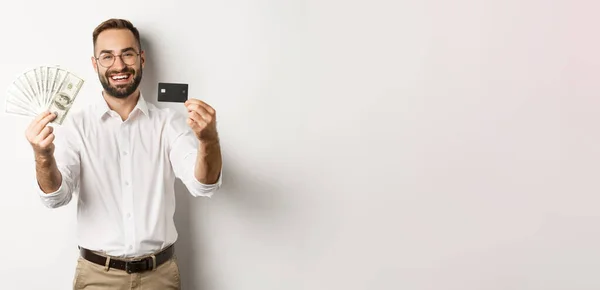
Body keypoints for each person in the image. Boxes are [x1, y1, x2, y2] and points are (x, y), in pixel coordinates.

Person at [24, 18, 223, 289]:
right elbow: (56, 198)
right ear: (95, 64)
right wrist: (43, 156)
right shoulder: (76, 126)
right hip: (96, 277)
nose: (119, 66)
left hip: (160, 277)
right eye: (107, 57)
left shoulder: (168, 123)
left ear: (141, 59)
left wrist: (209, 140)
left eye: (127, 54)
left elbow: (203, 185)